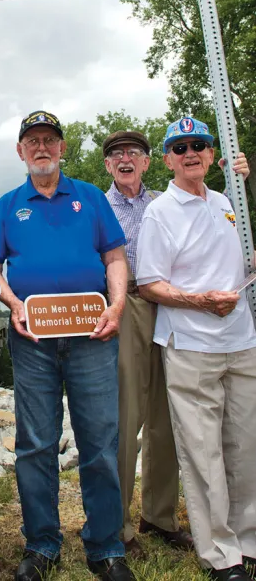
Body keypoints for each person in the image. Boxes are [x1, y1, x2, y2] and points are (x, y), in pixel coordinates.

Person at [0, 110, 134, 581]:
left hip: (92, 336)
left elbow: (115, 256)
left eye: (49, 140)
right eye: (33, 141)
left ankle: (106, 547)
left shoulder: (89, 198)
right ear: (21, 151)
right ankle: (42, 544)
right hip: (33, 341)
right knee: (35, 444)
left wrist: (118, 305)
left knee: (100, 443)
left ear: (62, 148)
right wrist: (12, 304)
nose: (41, 147)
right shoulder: (7, 205)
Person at [103, 129, 250, 558]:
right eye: (116, 155)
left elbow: (221, 227)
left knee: (169, 419)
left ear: (150, 162)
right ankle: (118, 526)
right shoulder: (98, 205)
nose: (125, 159)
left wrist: (236, 178)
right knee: (127, 416)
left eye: (134, 152)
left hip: (172, 312)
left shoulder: (166, 201)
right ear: (108, 165)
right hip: (127, 304)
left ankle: (160, 515)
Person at [137, 117, 256, 581]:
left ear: (211, 154)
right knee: (203, 453)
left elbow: (239, 256)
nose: (191, 154)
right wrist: (200, 301)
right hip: (191, 345)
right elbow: (150, 284)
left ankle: (248, 540)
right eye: (180, 147)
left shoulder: (228, 202)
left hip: (243, 340)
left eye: (200, 146)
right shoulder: (160, 212)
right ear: (167, 158)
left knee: (244, 447)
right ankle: (220, 554)